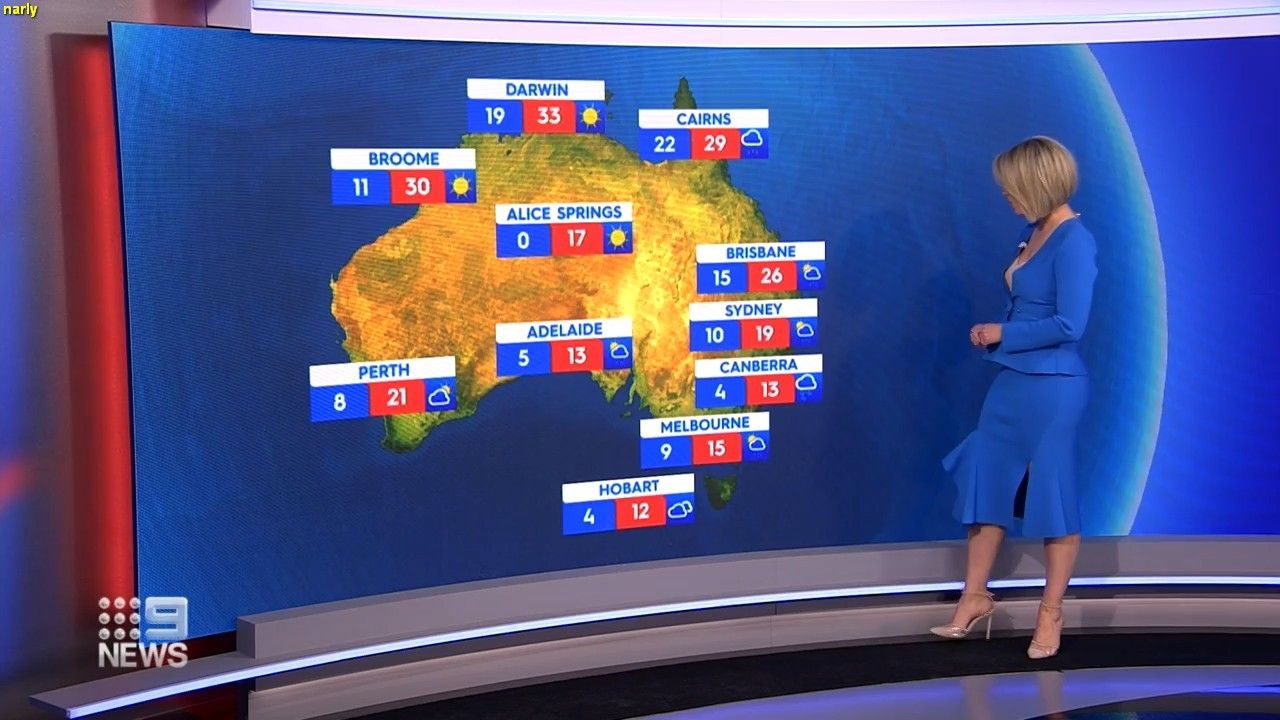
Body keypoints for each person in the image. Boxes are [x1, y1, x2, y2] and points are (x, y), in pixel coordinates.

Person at [930, 136, 1098, 659]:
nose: (1006, 198)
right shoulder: (1033, 232)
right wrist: (997, 337)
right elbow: (1028, 304)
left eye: (1011, 190)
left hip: (1054, 389)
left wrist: (1002, 333)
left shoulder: (1075, 242)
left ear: (1037, 184)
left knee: (1050, 491)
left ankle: (1050, 614)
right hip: (1012, 381)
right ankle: (974, 597)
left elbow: (1070, 324)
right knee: (987, 480)